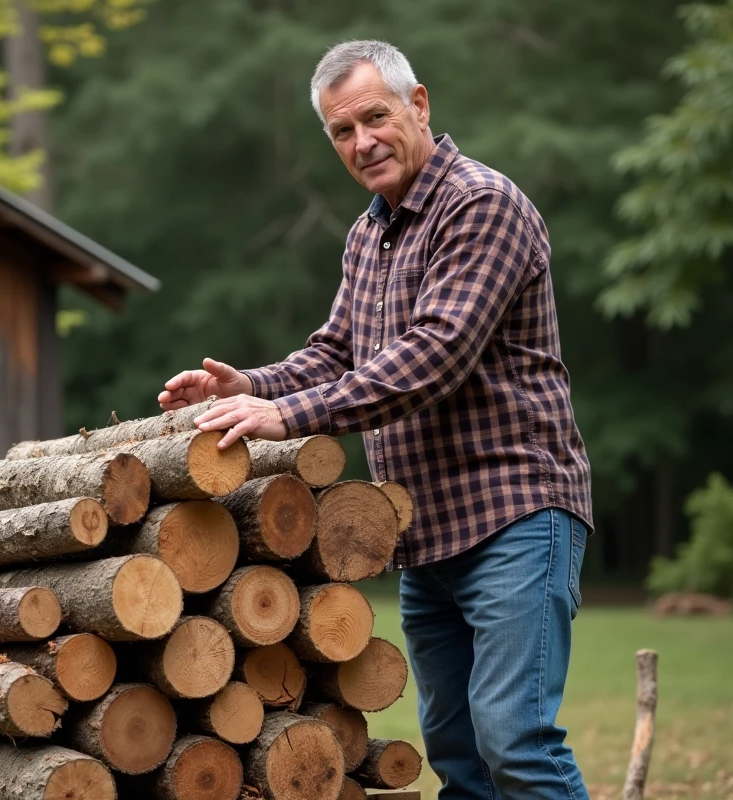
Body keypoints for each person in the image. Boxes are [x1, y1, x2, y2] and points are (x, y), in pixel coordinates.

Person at [158, 39, 593, 800]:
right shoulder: (370, 233)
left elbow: (434, 355)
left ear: (418, 105)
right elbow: (335, 353)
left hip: (516, 515)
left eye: (375, 118)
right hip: (427, 533)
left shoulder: (481, 204)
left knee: (515, 744)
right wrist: (246, 386)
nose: (362, 143)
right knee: (460, 759)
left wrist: (284, 413)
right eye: (341, 132)